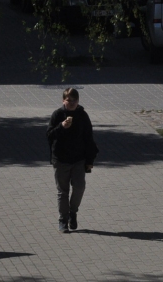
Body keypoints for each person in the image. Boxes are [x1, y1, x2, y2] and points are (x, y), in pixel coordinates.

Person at [47, 88, 98, 234]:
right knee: (62, 191)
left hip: (78, 160)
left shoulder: (82, 115)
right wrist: (61, 127)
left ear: (78, 101)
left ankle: (73, 212)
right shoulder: (58, 115)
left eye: (74, 100)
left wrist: (90, 160)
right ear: (63, 101)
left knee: (79, 187)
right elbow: (49, 135)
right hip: (61, 159)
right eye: (69, 100)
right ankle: (63, 220)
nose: (72, 103)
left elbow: (89, 139)